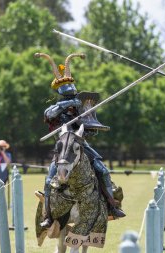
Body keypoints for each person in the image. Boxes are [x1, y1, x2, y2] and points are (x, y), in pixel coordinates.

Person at [35, 52, 126, 228]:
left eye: (73, 98)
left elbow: (91, 131)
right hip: (62, 149)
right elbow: (48, 114)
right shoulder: (55, 109)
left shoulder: (82, 110)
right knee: (48, 180)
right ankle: (48, 215)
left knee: (103, 170)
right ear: (62, 97)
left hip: (80, 147)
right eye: (68, 99)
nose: (72, 101)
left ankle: (110, 206)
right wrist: (65, 106)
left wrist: (89, 124)